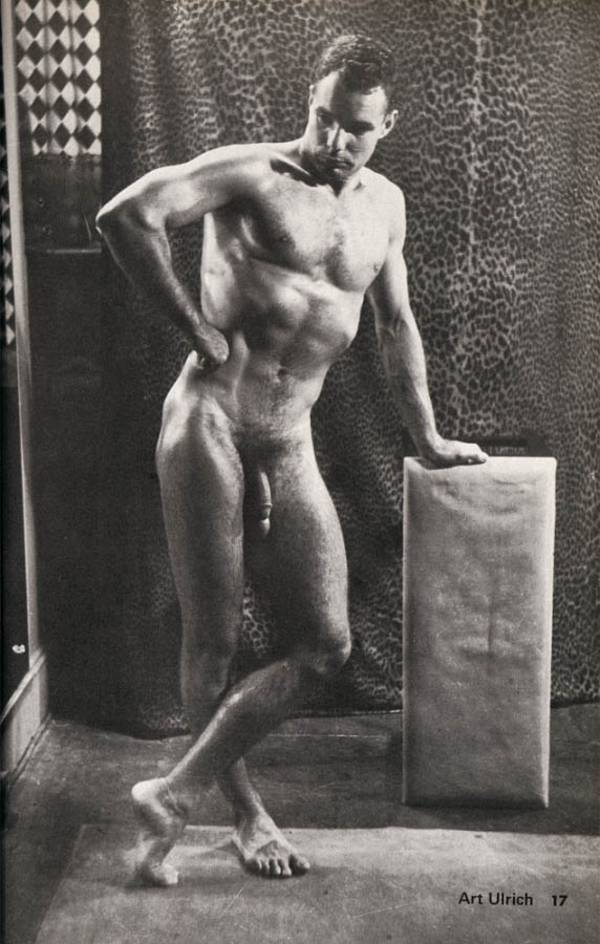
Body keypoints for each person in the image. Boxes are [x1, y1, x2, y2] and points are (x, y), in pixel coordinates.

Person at [96, 33, 487, 886]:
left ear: (388, 125)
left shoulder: (386, 208)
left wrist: (425, 436)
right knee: (214, 640)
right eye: (323, 117)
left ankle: (171, 793)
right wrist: (195, 329)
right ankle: (244, 814)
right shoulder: (251, 173)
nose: (334, 140)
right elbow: (126, 216)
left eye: (357, 127)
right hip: (208, 423)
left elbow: (396, 326)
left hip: (289, 437)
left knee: (326, 645)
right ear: (311, 101)